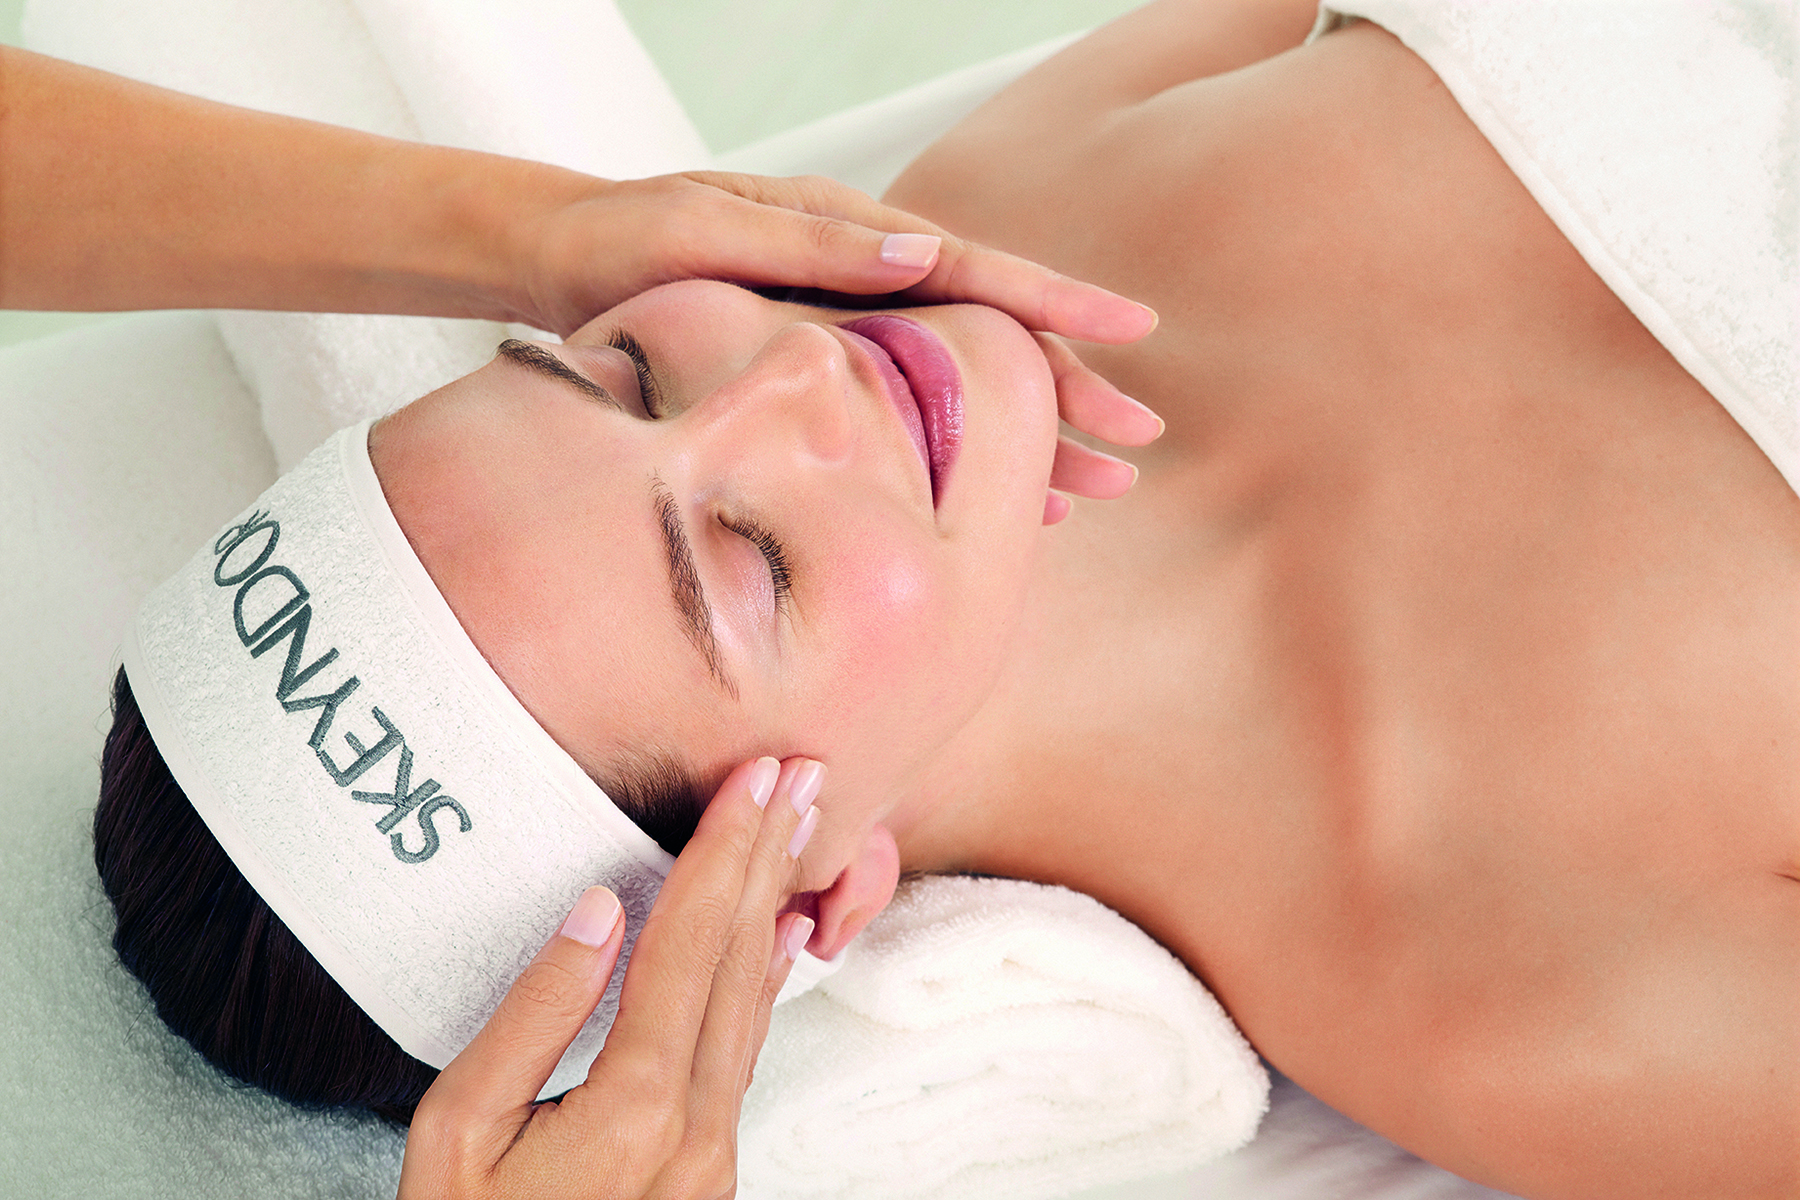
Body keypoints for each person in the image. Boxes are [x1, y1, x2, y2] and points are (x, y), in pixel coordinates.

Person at [83, 1, 1799, 1198]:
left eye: (619, 375)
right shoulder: (1517, 992)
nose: (796, 380)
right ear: (806, 894)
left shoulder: (970, 230)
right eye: (748, 566)